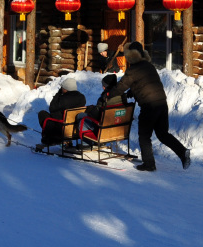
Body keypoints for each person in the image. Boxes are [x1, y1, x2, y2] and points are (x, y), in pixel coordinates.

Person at [107, 41, 190, 172]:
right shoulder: (148, 66)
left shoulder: (133, 69)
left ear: (131, 55)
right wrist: (132, 91)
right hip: (162, 103)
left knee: (144, 135)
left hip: (149, 106)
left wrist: (109, 95)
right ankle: (183, 152)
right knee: (162, 134)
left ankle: (149, 164)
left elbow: (120, 86)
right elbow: (145, 82)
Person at [35, 76, 87, 148]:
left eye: (62, 87)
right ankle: (66, 140)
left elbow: (52, 108)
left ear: (66, 89)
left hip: (62, 127)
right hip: (74, 126)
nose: (61, 89)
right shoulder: (82, 97)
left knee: (42, 114)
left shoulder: (63, 99)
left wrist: (58, 94)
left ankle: (52, 139)